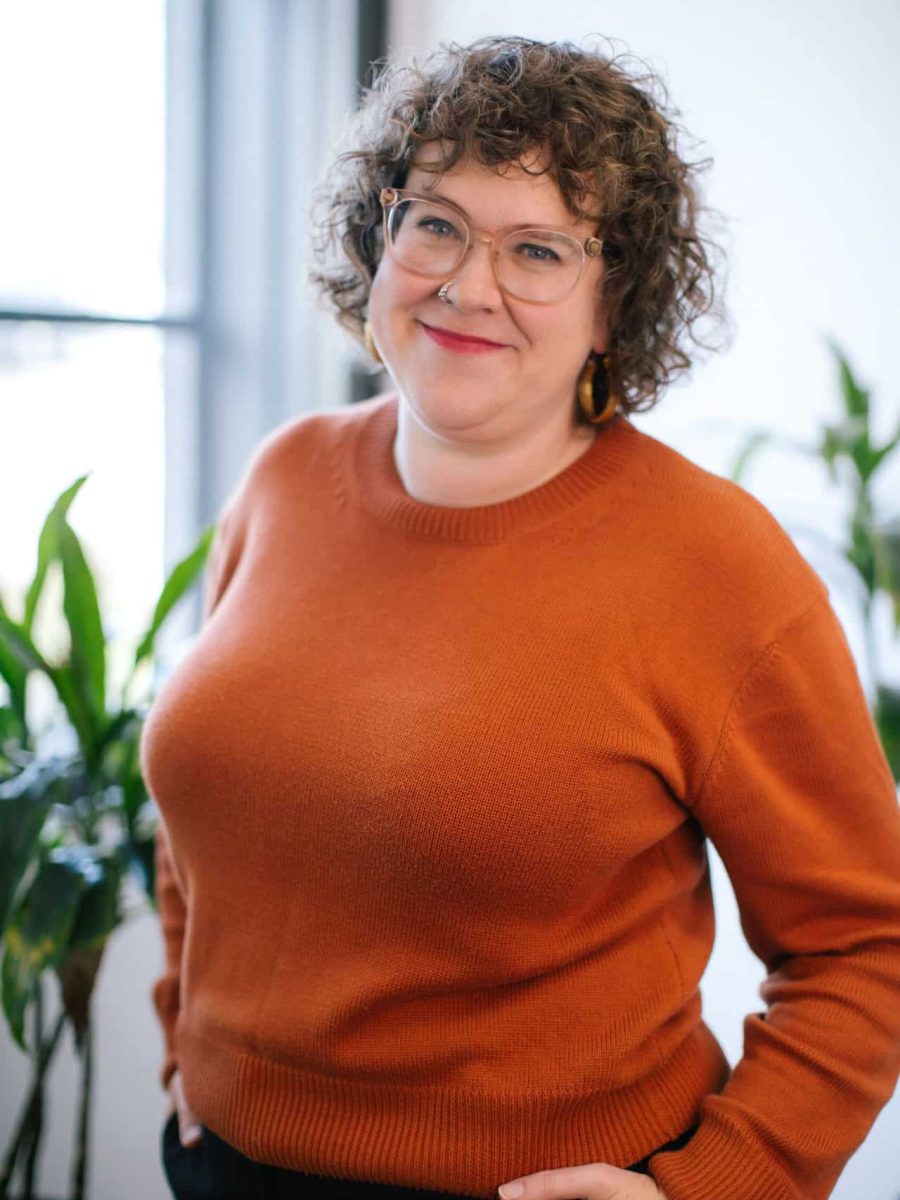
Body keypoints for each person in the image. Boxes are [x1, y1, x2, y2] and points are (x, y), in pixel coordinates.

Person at [142, 35, 900, 1200]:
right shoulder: (285, 477)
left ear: (613, 304)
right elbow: (206, 806)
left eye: (537, 249)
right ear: (379, 240)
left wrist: (716, 1185)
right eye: (434, 223)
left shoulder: (714, 563)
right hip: (216, 1165)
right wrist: (184, 1042)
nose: (465, 284)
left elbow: (867, 943)